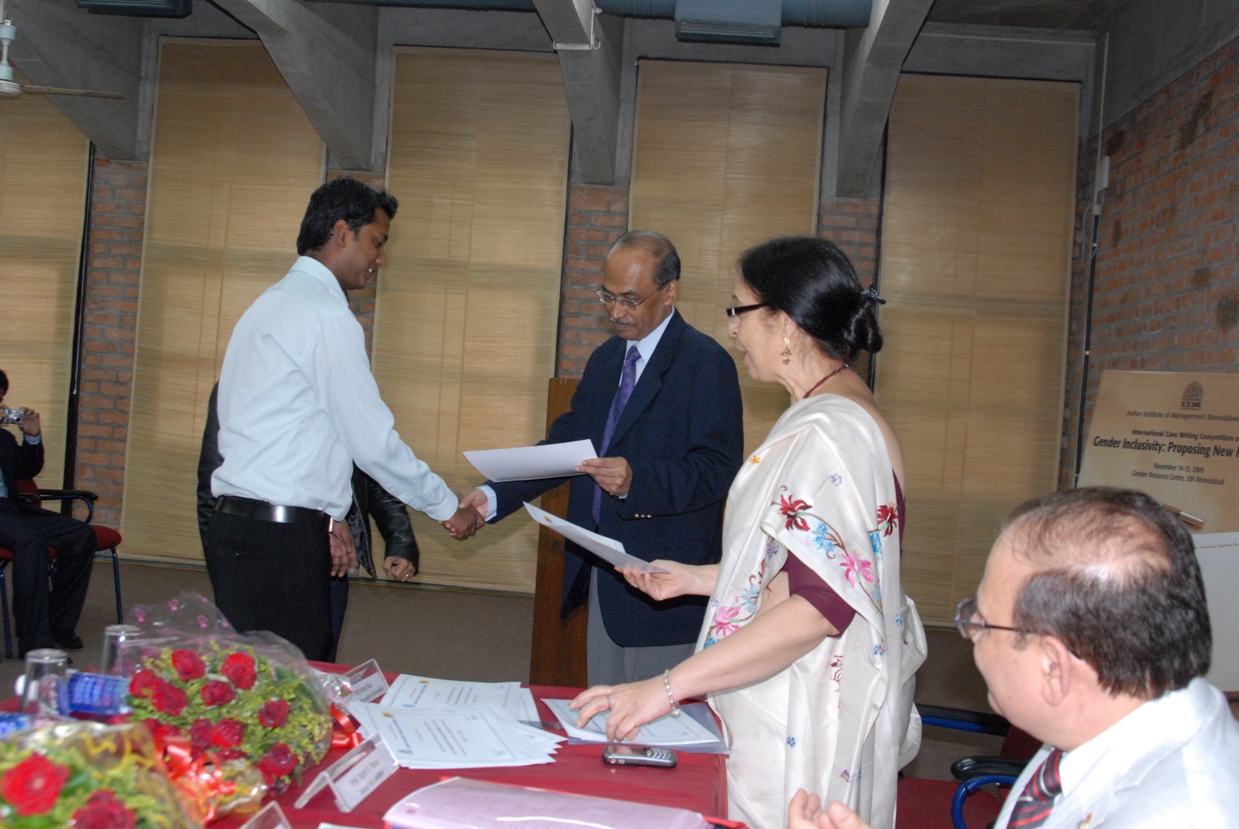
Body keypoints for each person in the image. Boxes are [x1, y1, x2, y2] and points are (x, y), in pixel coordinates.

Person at [572, 236, 926, 829]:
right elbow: (817, 567)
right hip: (815, 681)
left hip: (801, 696)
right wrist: (698, 578)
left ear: (783, 323)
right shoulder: (843, 406)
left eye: (739, 309)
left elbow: (819, 608)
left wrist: (665, 687)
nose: (732, 327)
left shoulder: (826, 432)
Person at [791, 487, 1239, 829]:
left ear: (1053, 667)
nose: (969, 633)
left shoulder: (1181, 813)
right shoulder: (1098, 725)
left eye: (984, 622)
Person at [207, 177, 479, 661]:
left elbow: (286, 431)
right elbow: (371, 442)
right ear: (340, 233)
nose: (380, 259)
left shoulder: (267, 305)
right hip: (281, 543)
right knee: (296, 685)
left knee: (253, 684)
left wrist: (328, 517)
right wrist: (445, 505)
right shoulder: (327, 317)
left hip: (239, 529)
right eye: (377, 242)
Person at [462, 230, 745, 686]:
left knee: (659, 715)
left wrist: (638, 482)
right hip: (603, 569)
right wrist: (494, 497)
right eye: (607, 296)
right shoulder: (606, 359)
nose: (616, 312)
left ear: (669, 291)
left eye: (630, 299)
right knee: (607, 706)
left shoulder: (705, 363)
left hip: (665, 577)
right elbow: (568, 447)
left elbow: (717, 470)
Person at [197, 382, 420, 662]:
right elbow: (210, 481)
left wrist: (400, 539)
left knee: (314, 663)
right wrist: (220, 566)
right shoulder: (236, 383)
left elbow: (372, 466)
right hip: (247, 548)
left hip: (326, 552)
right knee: (246, 663)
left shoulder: (336, 381)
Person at [0, 369, 96, 657]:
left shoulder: (3, 438)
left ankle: (58, 623)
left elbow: (26, 471)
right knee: (30, 541)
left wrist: (32, 437)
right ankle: (35, 643)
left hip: (11, 509)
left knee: (81, 535)